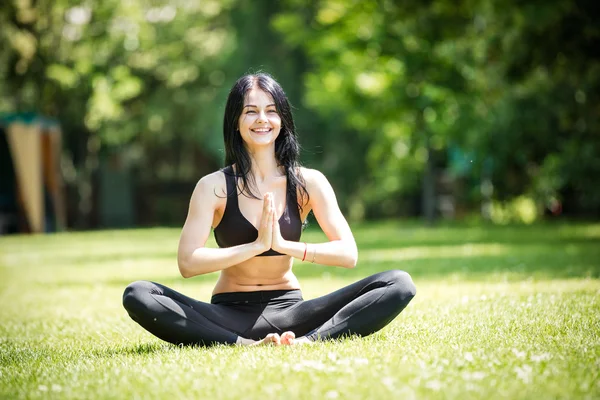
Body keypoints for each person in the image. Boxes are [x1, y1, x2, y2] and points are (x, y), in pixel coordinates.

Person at [122, 73, 416, 346]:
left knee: (398, 283)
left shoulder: (307, 182)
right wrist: (256, 246)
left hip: (291, 311)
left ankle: (307, 341)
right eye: (250, 111)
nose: (262, 119)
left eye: (271, 110)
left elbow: (348, 254)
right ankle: (244, 345)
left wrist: (284, 245)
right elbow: (188, 263)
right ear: (235, 120)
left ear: (282, 119)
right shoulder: (213, 186)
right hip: (229, 315)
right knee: (138, 294)